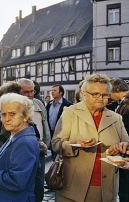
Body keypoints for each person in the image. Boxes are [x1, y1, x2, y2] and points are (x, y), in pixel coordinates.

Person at [51, 73, 129, 202]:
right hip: (74, 187)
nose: (100, 98)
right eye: (95, 94)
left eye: (105, 95)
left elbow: (126, 143)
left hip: (106, 188)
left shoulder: (116, 118)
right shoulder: (70, 113)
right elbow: (55, 143)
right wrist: (73, 144)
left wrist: (121, 147)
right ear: (84, 94)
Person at [18, 78, 50, 202]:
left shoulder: (38, 104)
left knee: (38, 189)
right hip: (20, 154)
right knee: (22, 187)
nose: (30, 95)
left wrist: (47, 144)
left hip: (39, 152)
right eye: (26, 92)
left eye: (32, 91)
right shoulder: (11, 105)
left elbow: (45, 124)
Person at [109, 78, 129, 202]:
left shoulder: (126, 103)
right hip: (123, 150)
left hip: (126, 152)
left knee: (125, 189)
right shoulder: (120, 103)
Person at [46, 84, 73, 160]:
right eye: (52, 90)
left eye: (55, 90)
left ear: (60, 92)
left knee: (58, 156)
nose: (52, 92)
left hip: (61, 134)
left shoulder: (67, 105)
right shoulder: (49, 104)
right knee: (53, 154)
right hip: (51, 133)